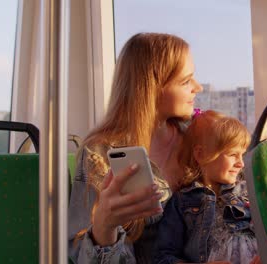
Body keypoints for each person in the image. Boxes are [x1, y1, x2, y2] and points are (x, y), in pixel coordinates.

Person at [68, 32, 203, 263]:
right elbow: (78, 256)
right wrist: (104, 229)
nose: (197, 87)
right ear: (153, 88)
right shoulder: (99, 154)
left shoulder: (199, 138)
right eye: (185, 81)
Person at [154, 110, 260, 264]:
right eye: (232, 154)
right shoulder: (183, 202)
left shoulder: (248, 192)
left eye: (242, 155)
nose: (240, 164)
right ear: (201, 155)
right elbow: (163, 257)